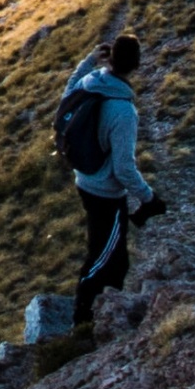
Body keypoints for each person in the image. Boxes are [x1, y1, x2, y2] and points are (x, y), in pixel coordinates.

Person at [62, 32, 164, 325]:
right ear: (137, 65)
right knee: (103, 260)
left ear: (110, 57)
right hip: (105, 194)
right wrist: (149, 197)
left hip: (84, 178)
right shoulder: (123, 111)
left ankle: (97, 318)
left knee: (115, 259)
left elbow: (68, 92)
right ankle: (84, 321)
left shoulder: (92, 82)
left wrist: (90, 60)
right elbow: (123, 168)